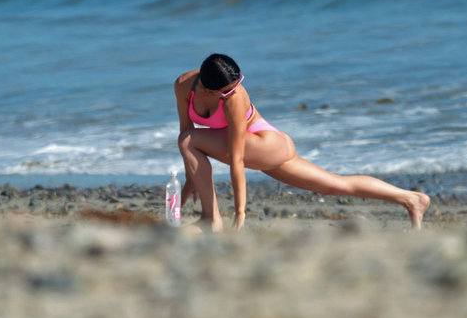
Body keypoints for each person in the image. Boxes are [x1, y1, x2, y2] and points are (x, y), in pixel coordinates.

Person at [175, 53, 430, 233]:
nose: (236, 89)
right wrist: (191, 180)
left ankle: (211, 220)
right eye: (229, 89)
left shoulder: (235, 97)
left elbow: (236, 157)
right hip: (265, 151)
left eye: (238, 83)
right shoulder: (184, 86)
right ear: (209, 90)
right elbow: (187, 128)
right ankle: (411, 199)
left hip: (265, 144)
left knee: (188, 141)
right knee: (334, 185)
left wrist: (240, 214)